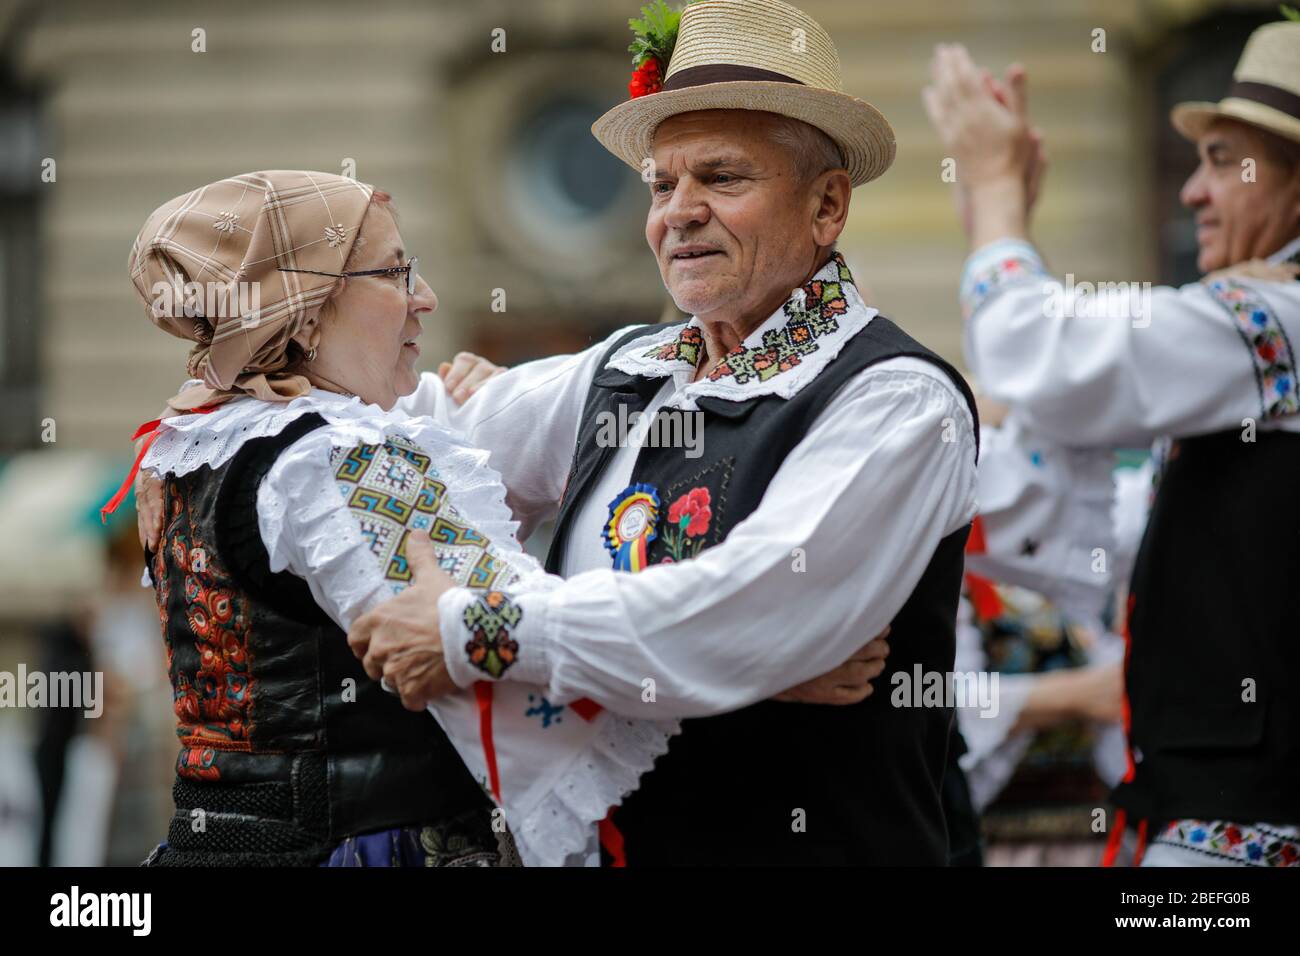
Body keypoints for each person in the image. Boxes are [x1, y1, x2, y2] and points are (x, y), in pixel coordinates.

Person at [349, 0, 981, 866]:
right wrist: (259, 372)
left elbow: (744, 609)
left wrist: (472, 632)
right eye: (660, 185)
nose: (677, 213)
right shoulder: (626, 368)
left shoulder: (899, 401)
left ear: (827, 205)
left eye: (722, 179)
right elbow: (391, 444)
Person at [124, 169, 883, 866]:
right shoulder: (344, 457)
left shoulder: (192, 446)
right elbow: (506, 644)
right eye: (392, 272)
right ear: (308, 311)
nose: (423, 297)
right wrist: (756, 660)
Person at [923, 19, 1300, 866]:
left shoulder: (1280, 318)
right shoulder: (1262, 332)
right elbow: (1093, 533)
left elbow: (1037, 354)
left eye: (1223, 161)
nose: (1193, 193)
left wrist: (994, 198)